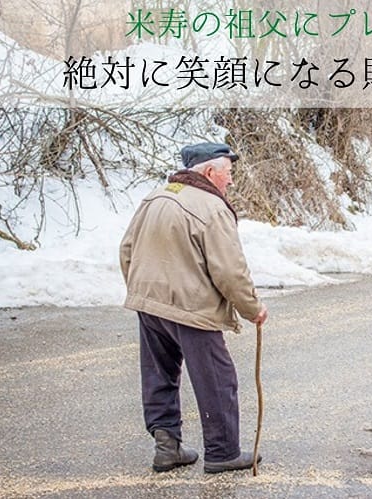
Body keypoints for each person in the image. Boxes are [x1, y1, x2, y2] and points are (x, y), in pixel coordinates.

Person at [119, 142, 268, 474]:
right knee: (217, 379)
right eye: (228, 174)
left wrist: (142, 290)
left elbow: (126, 249)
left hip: (149, 303)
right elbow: (229, 270)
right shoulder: (212, 208)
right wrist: (252, 308)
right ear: (210, 172)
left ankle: (167, 447)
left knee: (160, 375)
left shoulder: (155, 197)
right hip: (190, 307)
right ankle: (223, 452)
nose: (230, 182)